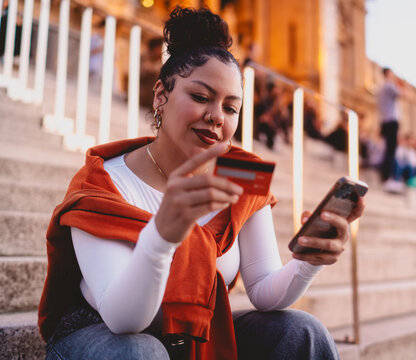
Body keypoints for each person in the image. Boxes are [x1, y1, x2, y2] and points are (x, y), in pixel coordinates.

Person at [39, 6, 364, 360]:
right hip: (103, 334)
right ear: (160, 94)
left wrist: (309, 260)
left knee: (303, 332)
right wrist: (162, 235)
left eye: (231, 108)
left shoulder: (242, 175)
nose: (215, 117)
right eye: (200, 97)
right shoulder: (103, 183)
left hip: (196, 335)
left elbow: (264, 292)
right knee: (140, 351)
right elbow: (123, 319)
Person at [377, 68, 402, 185]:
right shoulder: (389, 85)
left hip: (384, 121)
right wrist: (404, 85)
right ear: (388, 74)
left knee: (388, 150)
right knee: (391, 151)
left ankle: (385, 176)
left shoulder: (380, 88)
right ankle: (388, 177)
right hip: (391, 121)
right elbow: (403, 94)